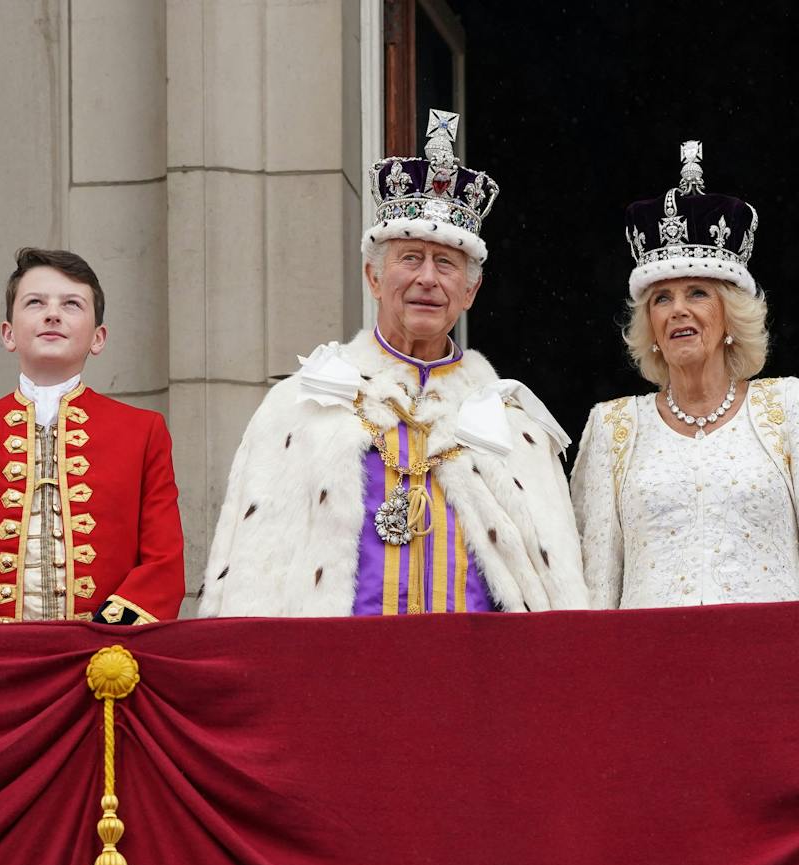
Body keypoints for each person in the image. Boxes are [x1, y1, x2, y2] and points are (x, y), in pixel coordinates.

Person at [200, 110, 586, 617]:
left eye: (446, 263)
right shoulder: (301, 404)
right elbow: (253, 575)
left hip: (480, 677)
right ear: (374, 278)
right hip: (344, 674)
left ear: (470, 290)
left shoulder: (514, 425)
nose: (427, 278)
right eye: (409, 258)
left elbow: (555, 592)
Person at [569, 141, 799, 608]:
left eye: (698, 293)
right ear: (648, 323)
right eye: (662, 298)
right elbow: (594, 590)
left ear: (731, 315)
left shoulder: (789, 407)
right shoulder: (612, 428)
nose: (679, 311)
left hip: (774, 665)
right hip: (653, 670)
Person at [0, 247, 184, 626]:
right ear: (8, 334)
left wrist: (107, 638)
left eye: (72, 304)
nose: (53, 313)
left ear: (98, 337)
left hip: (107, 656)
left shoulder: (143, 432)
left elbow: (164, 561)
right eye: (35, 302)